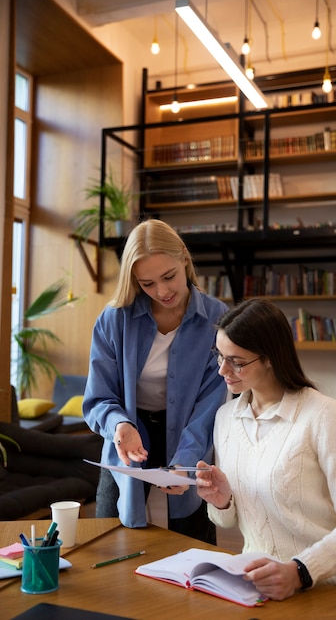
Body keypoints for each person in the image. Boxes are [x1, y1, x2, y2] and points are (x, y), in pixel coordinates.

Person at [195, 298, 336, 600]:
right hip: (260, 589)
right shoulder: (226, 417)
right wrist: (222, 501)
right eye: (220, 357)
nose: (222, 371)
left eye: (237, 361)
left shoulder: (323, 415)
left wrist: (299, 572)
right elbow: (228, 523)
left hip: (334, 590)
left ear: (270, 358)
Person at [83, 218, 228, 543]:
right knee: (108, 540)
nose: (162, 292)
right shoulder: (113, 319)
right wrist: (120, 427)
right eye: (147, 284)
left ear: (185, 262)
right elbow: (98, 397)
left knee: (195, 547)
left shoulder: (217, 319)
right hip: (128, 437)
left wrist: (187, 461)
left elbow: (210, 407)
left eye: (169, 277)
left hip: (190, 435)